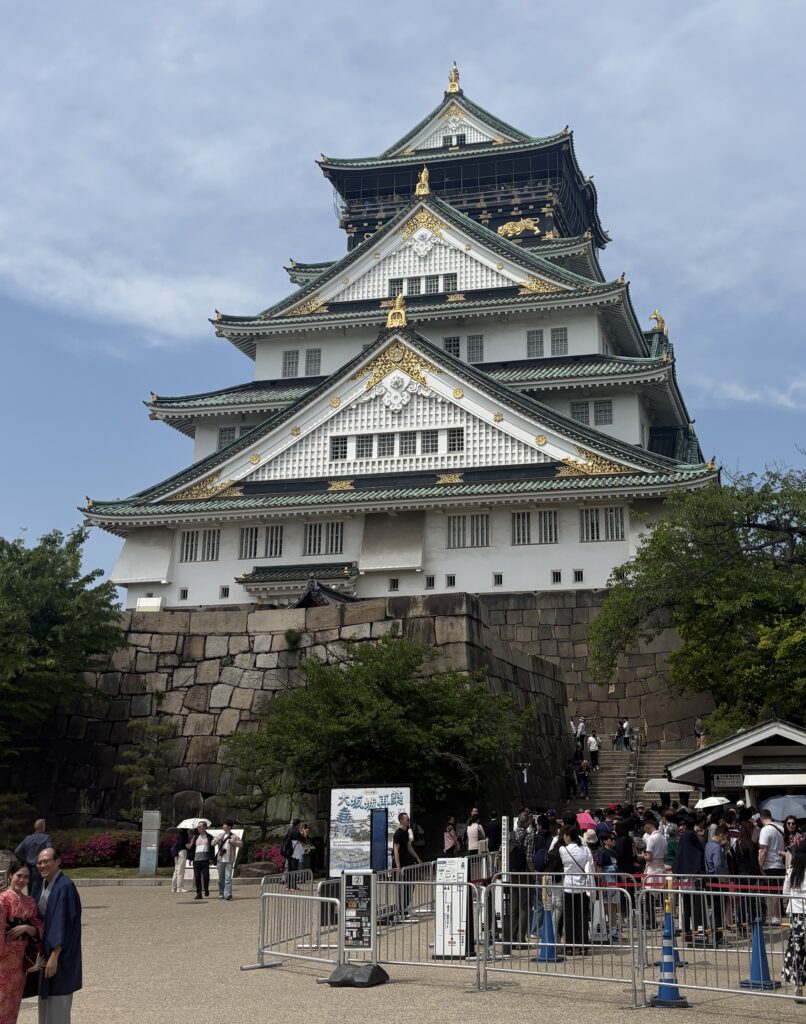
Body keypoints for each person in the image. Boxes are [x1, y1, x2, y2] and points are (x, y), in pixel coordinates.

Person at [36, 847, 82, 1024]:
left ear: (57, 862)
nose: (42, 865)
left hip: (59, 954)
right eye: (39, 862)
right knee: (47, 1004)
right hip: (47, 952)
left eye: (46, 861)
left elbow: (64, 922)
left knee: (58, 1004)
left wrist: (55, 955)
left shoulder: (65, 886)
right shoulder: (46, 884)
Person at [0, 861, 43, 1024]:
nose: (22, 880)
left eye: (26, 877)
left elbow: (38, 927)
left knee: (13, 1005)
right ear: (10, 875)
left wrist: (28, 928)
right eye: (19, 876)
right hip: (3, 959)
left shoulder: (30, 901)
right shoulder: (2, 899)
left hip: (20, 962)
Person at [559, 827, 593, 953]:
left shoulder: (563, 850)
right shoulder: (585, 850)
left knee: (569, 917)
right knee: (583, 917)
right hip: (583, 886)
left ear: (568, 836)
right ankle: (583, 945)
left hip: (569, 886)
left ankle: (570, 946)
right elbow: (590, 866)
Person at [783, 844, 806, 997]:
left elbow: (785, 892)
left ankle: (797, 982)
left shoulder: (792, 871)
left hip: (797, 915)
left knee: (797, 948)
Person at [758, 808, 786, 925]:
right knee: (777, 891)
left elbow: (763, 849)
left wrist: (760, 865)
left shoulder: (765, 830)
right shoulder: (780, 828)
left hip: (770, 865)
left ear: (761, 818)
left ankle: (775, 916)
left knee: (772, 891)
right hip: (780, 863)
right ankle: (777, 914)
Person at [393, 812, 422, 920]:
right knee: (403, 887)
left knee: (410, 885)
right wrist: (398, 866)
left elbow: (409, 847)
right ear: (401, 820)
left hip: (408, 862)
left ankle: (404, 907)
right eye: (407, 819)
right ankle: (401, 909)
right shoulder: (398, 833)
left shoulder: (406, 833)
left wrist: (417, 858)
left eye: (409, 819)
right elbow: (396, 850)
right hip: (402, 864)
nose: (408, 821)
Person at [14, 820, 51, 903]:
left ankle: (29, 910)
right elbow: (49, 850)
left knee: (30, 890)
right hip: (38, 867)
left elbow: (17, 851)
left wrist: (25, 859)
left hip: (28, 867)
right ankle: (32, 912)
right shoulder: (46, 838)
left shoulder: (27, 838)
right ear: (43, 827)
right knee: (36, 892)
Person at [214, 821, 242, 901]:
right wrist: (217, 839)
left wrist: (233, 842)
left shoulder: (234, 836)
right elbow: (212, 843)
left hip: (229, 860)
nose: (223, 826)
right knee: (221, 878)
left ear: (229, 827)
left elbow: (241, 844)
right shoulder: (220, 835)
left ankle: (228, 894)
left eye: (225, 825)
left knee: (228, 877)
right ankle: (221, 893)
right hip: (220, 860)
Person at [189, 822, 215, 900]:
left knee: (206, 876)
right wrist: (190, 859)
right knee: (197, 877)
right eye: (198, 827)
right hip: (196, 860)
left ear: (204, 827)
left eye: (200, 827)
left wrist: (211, 858)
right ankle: (199, 893)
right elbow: (192, 849)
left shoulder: (209, 837)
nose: (199, 828)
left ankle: (206, 888)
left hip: (205, 860)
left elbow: (212, 849)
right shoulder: (196, 837)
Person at [282, 819, 303, 887]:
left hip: (288, 852)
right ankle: (293, 886)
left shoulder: (289, 831)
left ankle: (288, 886)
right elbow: (303, 840)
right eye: (299, 824)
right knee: (294, 870)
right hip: (295, 854)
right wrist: (305, 834)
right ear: (297, 825)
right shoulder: (296, 832)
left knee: (290, 869)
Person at [170, 828, 191, 894]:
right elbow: (188, 846)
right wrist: (192, 842)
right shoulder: (184, 836)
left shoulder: (178, 837)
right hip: (182, 852)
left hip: (176, 854)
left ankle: (174, 887)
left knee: (176, 870)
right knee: (181, 870)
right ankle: (180, 887)